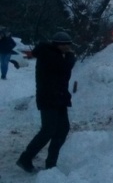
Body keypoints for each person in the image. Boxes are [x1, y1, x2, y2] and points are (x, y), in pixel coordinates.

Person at [16, 31, 77, 173]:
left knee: (62, 129)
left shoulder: (54, 54)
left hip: (60, 98)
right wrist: (70, 56)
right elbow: (64, 67)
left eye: (69, 45)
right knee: (48, 130)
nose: (68, 47)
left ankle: (51, 163)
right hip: (49, 98)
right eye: (65, 45)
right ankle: (25, 158)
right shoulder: (48, 55)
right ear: (57, 45)